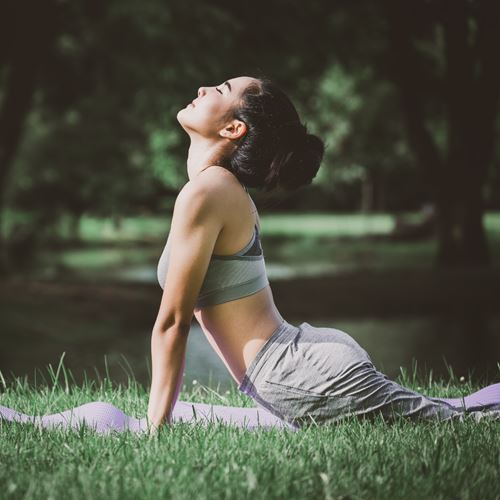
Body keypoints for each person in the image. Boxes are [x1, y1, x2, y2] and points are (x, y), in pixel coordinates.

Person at [149, 75, 500, 433]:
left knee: (462, 422)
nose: (201, 89)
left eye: (220, 90)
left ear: (234, 128)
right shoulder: (218, 189)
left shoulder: (209, 191)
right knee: (455, 412)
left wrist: (155, 431)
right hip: (302, 363)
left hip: (297, 373)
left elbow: (173, 322)